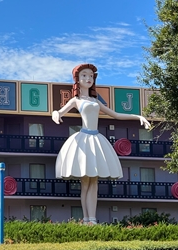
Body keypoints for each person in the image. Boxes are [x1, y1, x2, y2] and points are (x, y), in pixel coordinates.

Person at [52, 63, 151, 224]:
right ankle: (86, 219)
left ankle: (92, 218)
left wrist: (138, 117)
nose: (88, 78)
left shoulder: (96, 101)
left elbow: (116, 115)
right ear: (77, 79)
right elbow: (60, 111)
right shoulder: (76, 100)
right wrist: (56, 114)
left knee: (94, 181)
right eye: (84, 75)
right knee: (85, 182)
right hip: (84, 139)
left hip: (96, 139)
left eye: (91, 76)